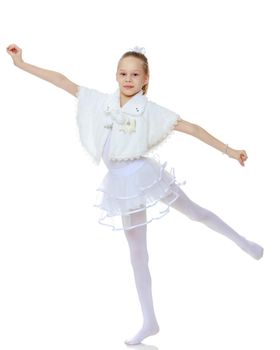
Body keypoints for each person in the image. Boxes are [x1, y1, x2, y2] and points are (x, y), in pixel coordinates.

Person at [6, 44, 264, 345]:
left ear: (145, 79)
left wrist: (230, 151)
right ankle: (149, 320)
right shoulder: (101, 102)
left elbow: (192, 128)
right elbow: (63, 81)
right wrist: (21, 64)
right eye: (123, 73)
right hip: (121, 185)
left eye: (135, 74)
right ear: (116, 76)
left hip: (144, 175)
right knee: (137, 254)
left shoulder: (150, 111)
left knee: (196, 213)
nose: (128, 79)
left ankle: (245, 243)